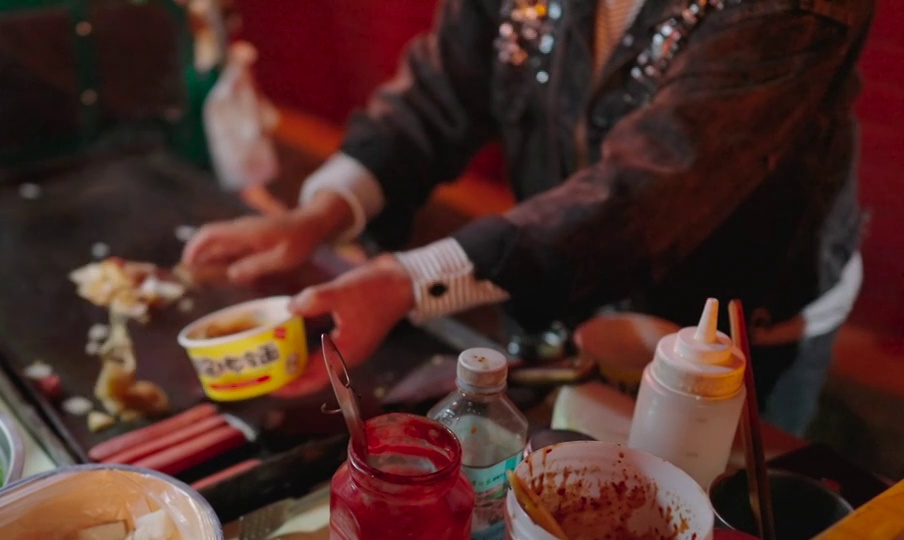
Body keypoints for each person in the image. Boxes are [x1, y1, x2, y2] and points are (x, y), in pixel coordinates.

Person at [181, 0, 874, 436]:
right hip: (551, 268)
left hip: (737, 317)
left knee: (720, 503)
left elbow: (648, 189)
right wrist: (318, 213)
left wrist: (404, 281)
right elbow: (440, 91)